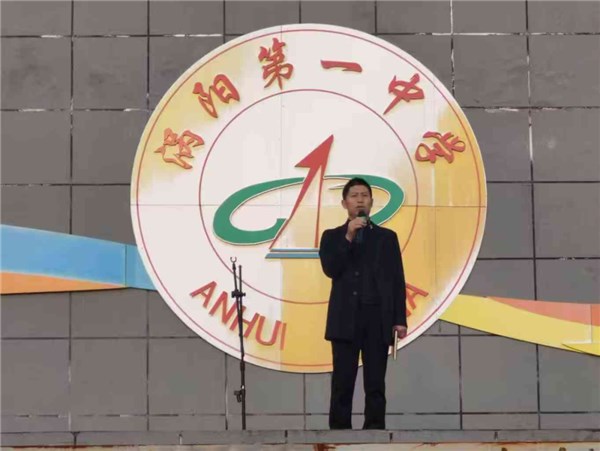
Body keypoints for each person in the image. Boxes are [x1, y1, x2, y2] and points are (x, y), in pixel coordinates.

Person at [319, 177, 407, 430]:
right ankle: (339, 434)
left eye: (364, 196)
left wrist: (399, 319)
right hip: (344, 319)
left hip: (377, 319)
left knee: (375, 383)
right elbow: (331, 269)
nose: (360, 200)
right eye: (354, 196)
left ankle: (374, 432)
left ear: (371, 202)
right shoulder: (332, 236)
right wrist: (349, 235)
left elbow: (397, 279)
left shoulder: (387, 238)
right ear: (344, 203)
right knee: (342, 382)